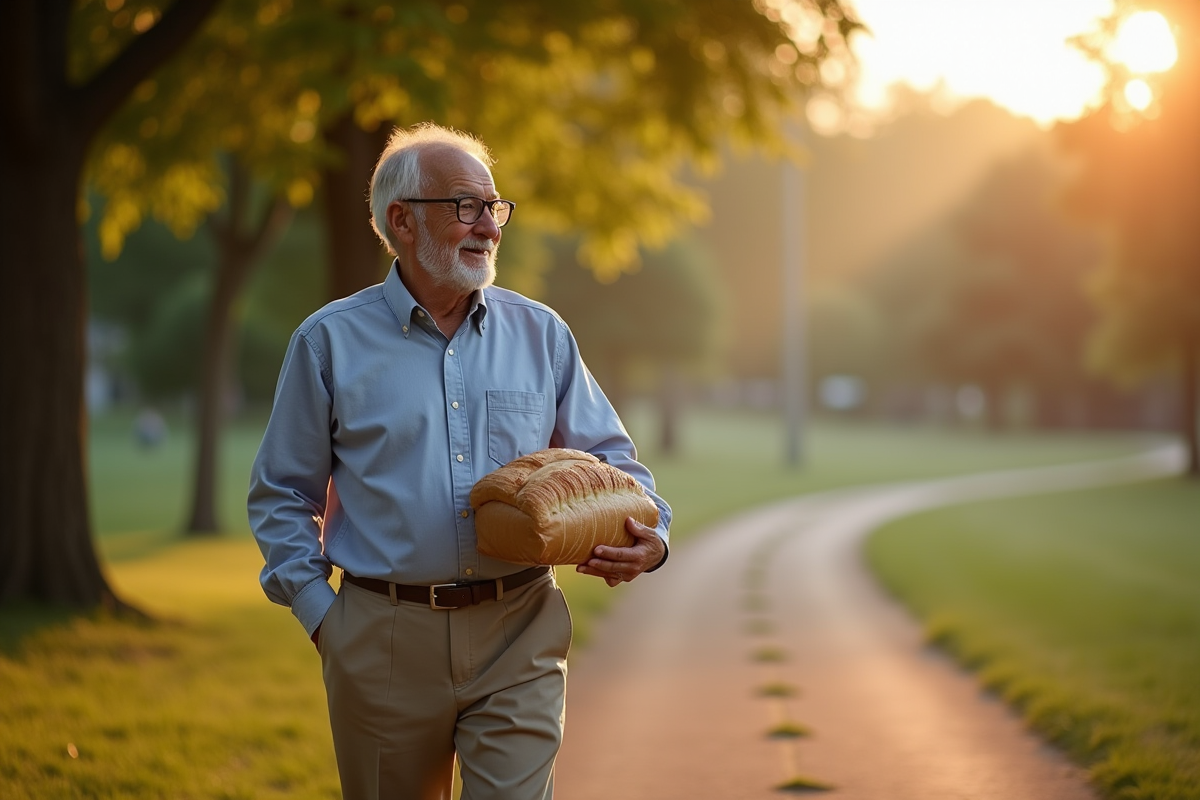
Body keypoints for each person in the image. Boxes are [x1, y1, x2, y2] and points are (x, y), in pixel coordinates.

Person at [248, 122, 671, 800]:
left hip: (521, 630)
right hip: (381, 640)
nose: (488, 226)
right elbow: (281, 494)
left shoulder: (542, 333)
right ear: (402, 221)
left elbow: (615, 464)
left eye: (494, 207)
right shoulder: (328, 343)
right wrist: (324, 620)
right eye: (465, 206)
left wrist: (653, 540)